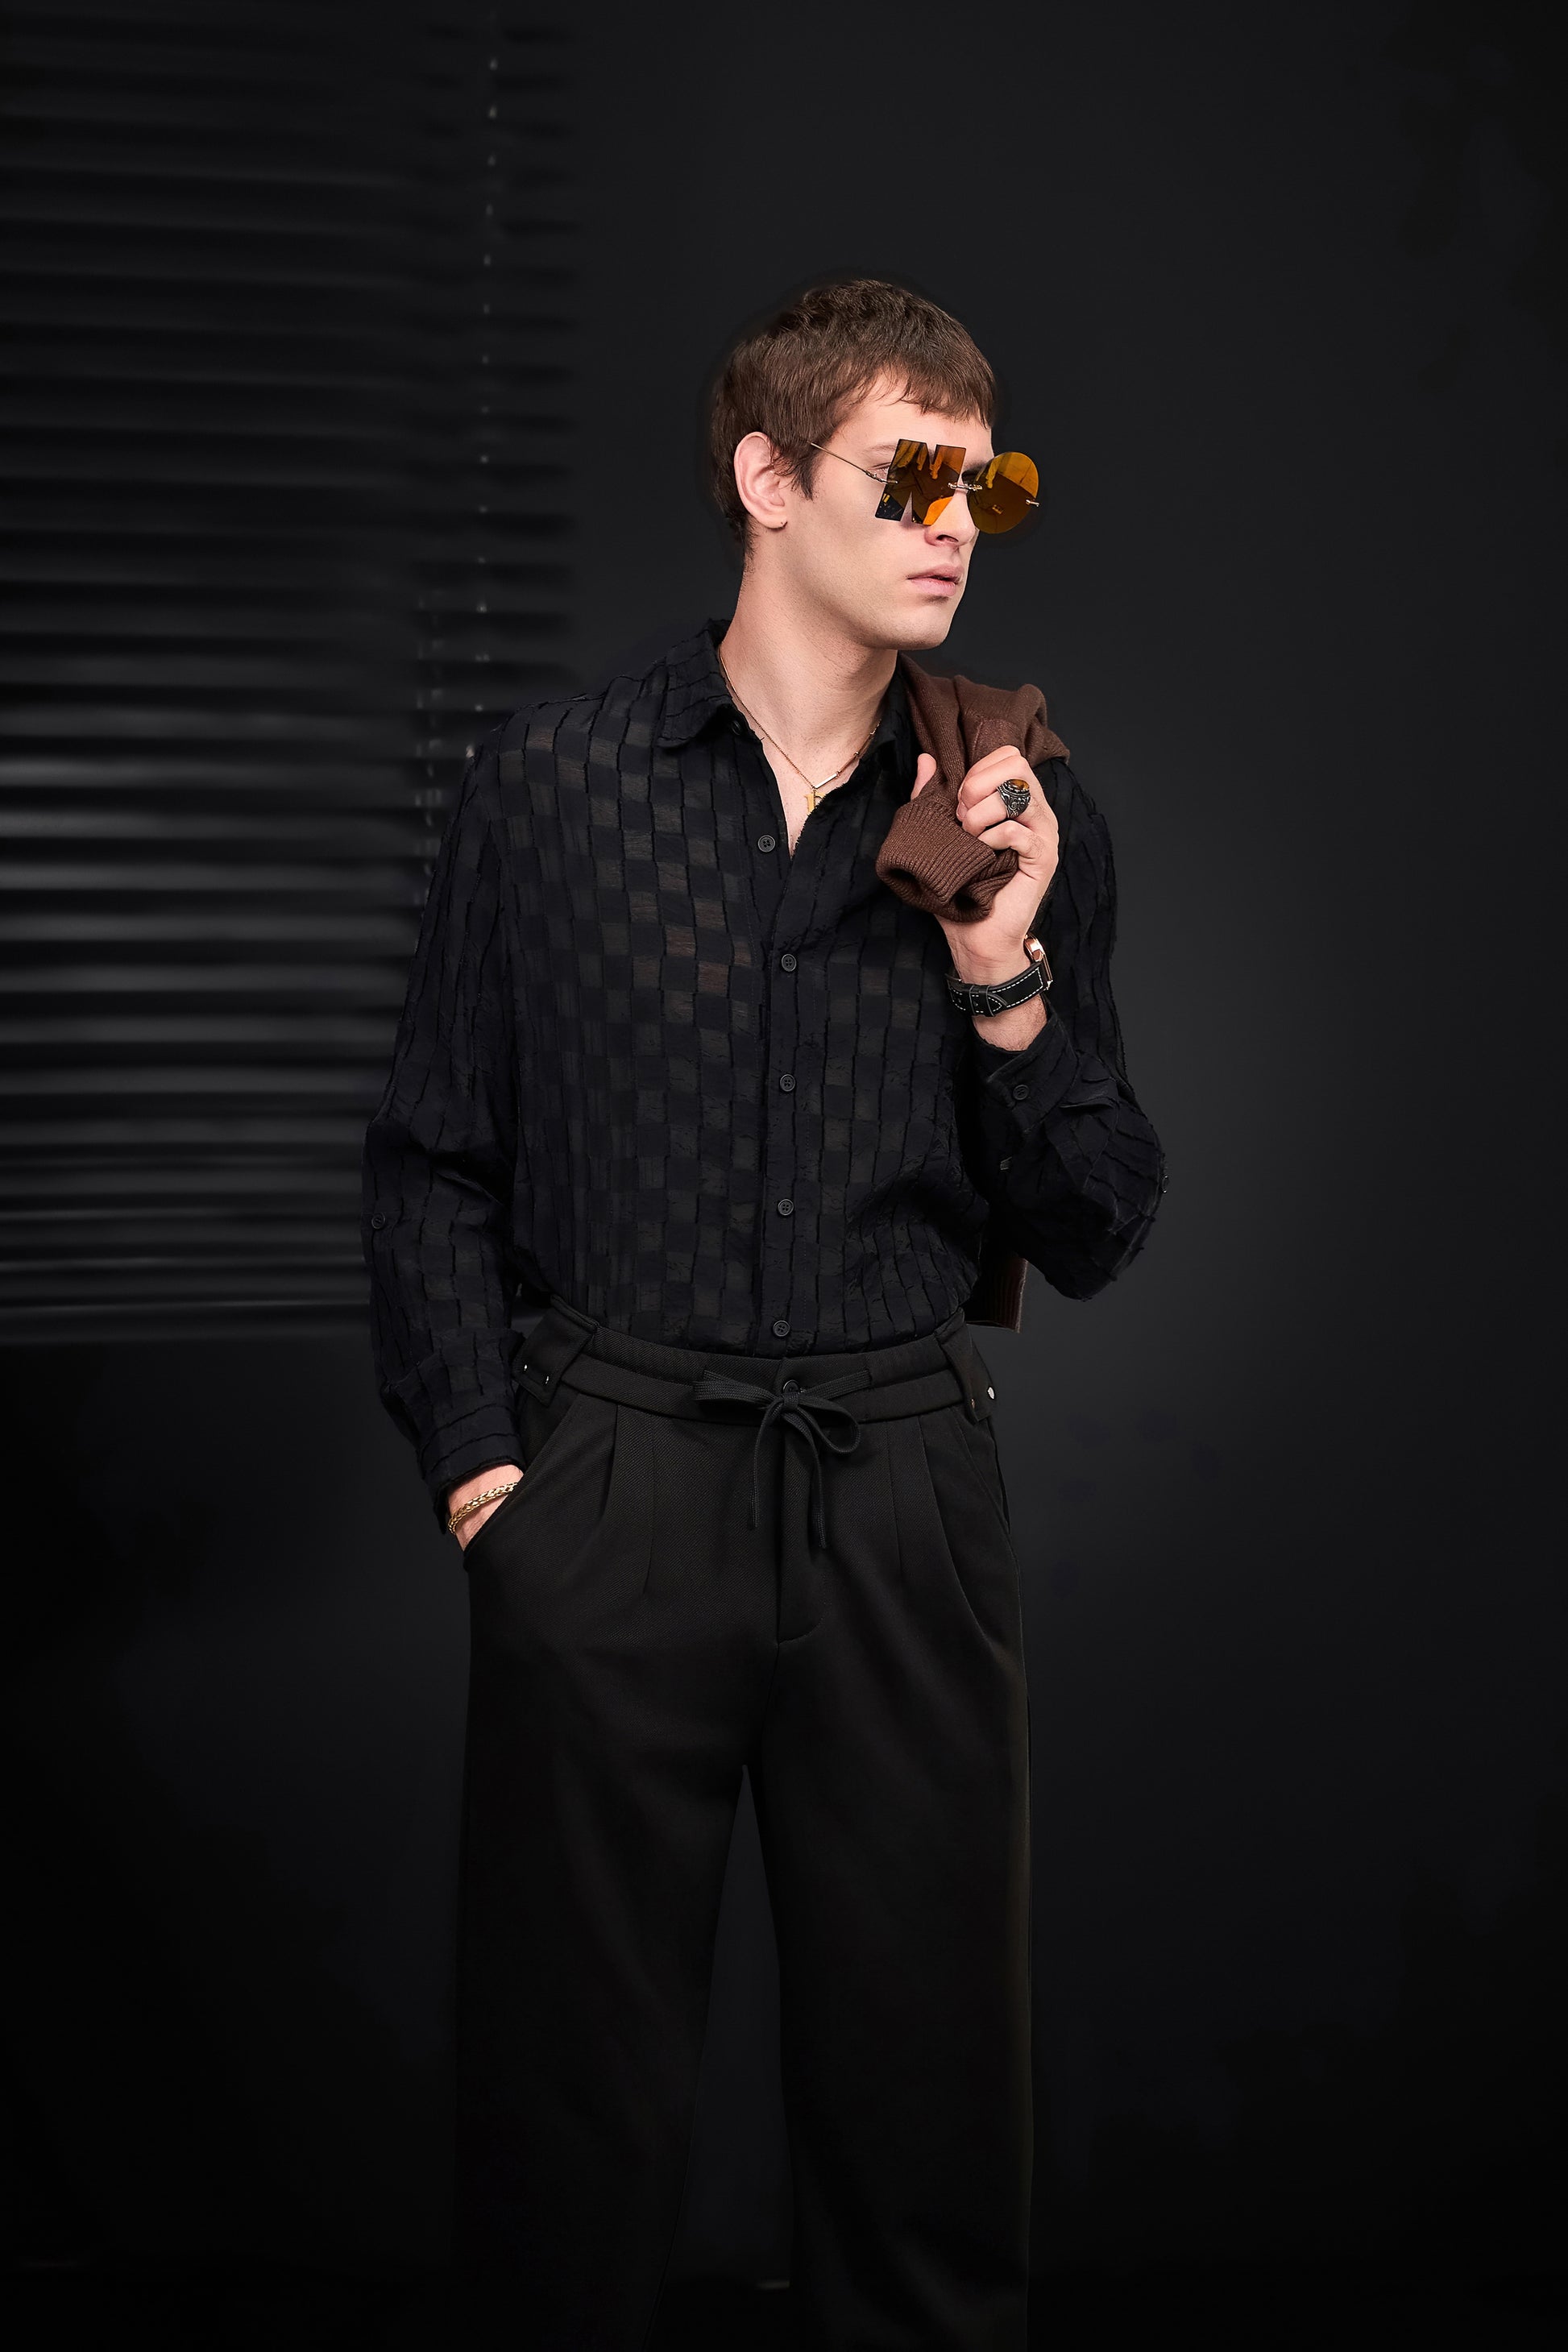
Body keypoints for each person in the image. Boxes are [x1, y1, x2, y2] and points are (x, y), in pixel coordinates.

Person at [363, 278, 1164, 2350]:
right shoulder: (550, 784)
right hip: (609, 1479)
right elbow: (433, 1158)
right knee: (563, 2107)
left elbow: (1095, 1222)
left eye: (986, 482)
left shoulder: (1020, 810)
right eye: (910, 475)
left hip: (903, 1491)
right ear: (765, 477)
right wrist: (489, 1481)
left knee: (927, 2106)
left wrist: (1004, 972)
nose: (955, 523)